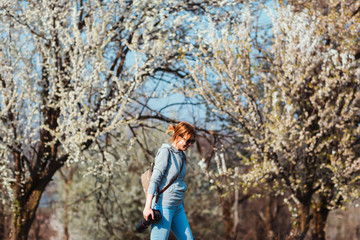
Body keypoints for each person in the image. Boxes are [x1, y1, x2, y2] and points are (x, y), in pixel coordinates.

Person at [143, 121, 196, 240]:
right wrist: (148, 207)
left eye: (192, 141)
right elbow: (155, 180)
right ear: (178, 136)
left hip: (178, 207)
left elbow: (178, 182)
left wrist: (180, 203)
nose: (190, 144)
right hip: (162, 206)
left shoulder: (182, 156)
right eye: (188, 141)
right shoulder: (165, 152)